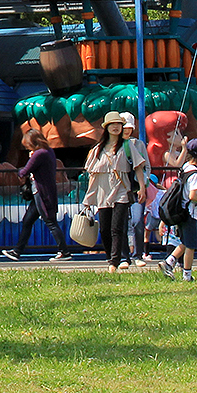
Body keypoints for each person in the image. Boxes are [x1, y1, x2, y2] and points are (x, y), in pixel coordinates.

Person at [2, 128, 70, 261]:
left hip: (42, 193)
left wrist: (26, 164)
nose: (27, 148)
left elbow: (24, 171)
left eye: (28, 146)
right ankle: (17, 251)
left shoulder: (40, 154)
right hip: (41, 192)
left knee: (50, 222)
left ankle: (64, 252)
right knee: (28, 221)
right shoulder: (49, 151)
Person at [83, 114, 139, 273]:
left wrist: (141, 186)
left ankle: (115, 261)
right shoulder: (97, 150)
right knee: (104, 229)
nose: (115, 127)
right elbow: (92, 175)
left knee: (117, 227)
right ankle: (111, 257)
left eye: (118, 124)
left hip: (121, 190)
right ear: (106, 127)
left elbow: (139, 167)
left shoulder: (127, 146)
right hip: (103, 193)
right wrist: (88, 197)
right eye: (112, 124)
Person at [159, 139, 197, 282]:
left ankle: (169, 262)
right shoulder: (195, 173)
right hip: (190, 213)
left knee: (185, 241)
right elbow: (193, 195)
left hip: (181, 211)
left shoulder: (185, 167)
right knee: (191, 246)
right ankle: (186, 275)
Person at [120, 113, 152, 266]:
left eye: (129, 128)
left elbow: (146, 166)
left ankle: (138, 254)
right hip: (121, 188)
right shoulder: (115, 145)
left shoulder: (138, 144)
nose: (126, 131)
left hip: (136, 188)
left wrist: (143, 184)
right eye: (124, 127)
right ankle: (124, 256)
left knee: (138, 220)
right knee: (122, 223)